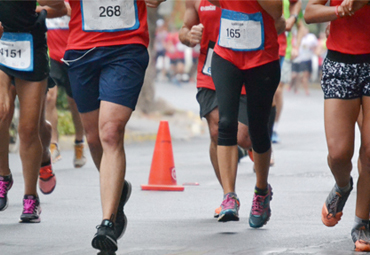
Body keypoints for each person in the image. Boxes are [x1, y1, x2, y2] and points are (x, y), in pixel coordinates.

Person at [62, 0, 165, 252]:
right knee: (94, 138)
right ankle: (117, 192)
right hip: (82, 51)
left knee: (109, 132)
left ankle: (108, 223)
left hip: (126, 48)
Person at [207, 0, 282, 227]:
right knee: (226, 122)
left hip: (262, 58)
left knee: (257, 129)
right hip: (226, 54)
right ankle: (229, 196)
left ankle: (261, 192)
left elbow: (277, 11)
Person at [305, 0, 370, 251]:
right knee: (339, 153)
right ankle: (343, 185)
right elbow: (310, 13)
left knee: (369, 151)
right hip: (341, 64)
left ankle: (361, 223)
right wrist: (338, 10)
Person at [179, 0, 252, 220]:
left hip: (245, 65)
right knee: (216, 130)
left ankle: (249, 147)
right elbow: (183, 30)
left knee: (243, 136)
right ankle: (229, 197)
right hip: (210, 69)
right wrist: (189, 36)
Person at [0, 0, 66, 222]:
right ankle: (3, 176)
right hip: (1, 49)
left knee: (30, 129)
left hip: (30, 49)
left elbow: (62, 8)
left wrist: (41, 11)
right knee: (1, 115)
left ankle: (31, 197)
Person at [38, 1, 87, 168]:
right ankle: (53, 144)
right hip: (52, 56)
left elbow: (80, 13)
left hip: (73, 54)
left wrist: (63, 9)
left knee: (74, 103)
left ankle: (79, 142)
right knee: (50, 97)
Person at [272, 0, 302, 144]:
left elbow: (301, 26)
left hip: (283, 50)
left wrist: (293, 18)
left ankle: (273, 128)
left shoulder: (287, 3)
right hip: (260, 47)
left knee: (277, 91)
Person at [290, 24, 318, 95]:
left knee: (308, 75)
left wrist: (314, 51)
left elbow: (316, 46)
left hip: (310, 58)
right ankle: (306, 90)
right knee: (303, 75)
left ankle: (299, 85)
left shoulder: (311, 37)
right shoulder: (299, 39)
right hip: (302, 59)